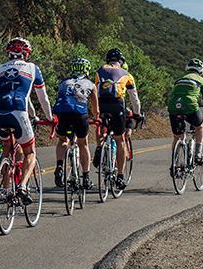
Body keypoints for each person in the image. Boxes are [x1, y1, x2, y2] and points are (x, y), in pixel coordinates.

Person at [0, 37, 53, 202]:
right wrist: (49, 117)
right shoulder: (32, 68)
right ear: (26, 54)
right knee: (30, 152)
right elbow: (42, 98)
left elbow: (20, 96)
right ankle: (22, 187)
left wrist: (33, 114)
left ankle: (4, 189)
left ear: (8, 54)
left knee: (7, 147)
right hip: (18, 113)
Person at [95, 47, 142, 190]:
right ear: (121, 62)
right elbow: (134, 98)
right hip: (117, 105)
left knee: (102, 127)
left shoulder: (99, 70)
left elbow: (95, 90)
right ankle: (120, 176)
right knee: (120, 139)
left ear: (108, 60)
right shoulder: (126, 73)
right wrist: (137, 113)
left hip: (101, 103)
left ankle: (99, 148)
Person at [52, 57, 100, 189]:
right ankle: (86, 177)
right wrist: (96, 118)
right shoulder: (90, 84)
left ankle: (60, 167)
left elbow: (59, 99)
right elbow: (95, 109)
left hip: (61, 114)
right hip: (79, 115)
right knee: (83, 143)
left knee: (62, 141)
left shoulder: (63, 82)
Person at [167, 58, 203, 164]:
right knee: (200, 126)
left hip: (173, 107)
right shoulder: (201, 80)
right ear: (201, 71)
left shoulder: (179, 78)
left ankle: (174, 164)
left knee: (176, 137)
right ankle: (198, 155)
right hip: (190, 106)